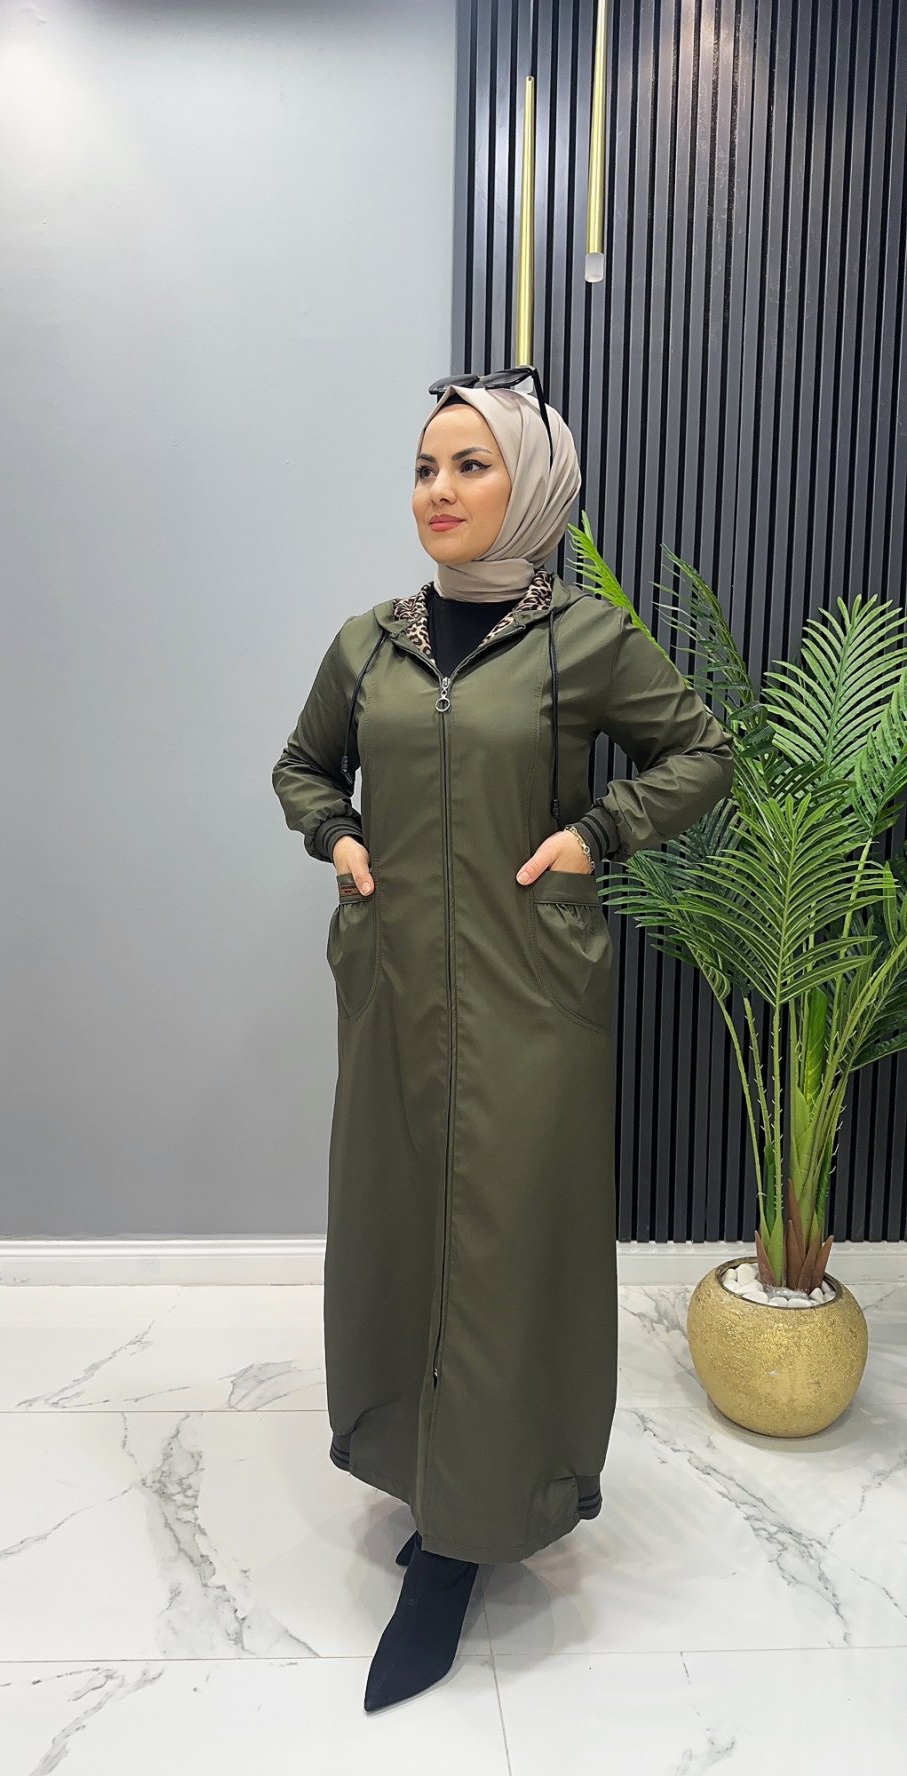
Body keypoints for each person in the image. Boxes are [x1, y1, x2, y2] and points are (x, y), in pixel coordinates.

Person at [271, 373, 735, 1712]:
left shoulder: (582, 639)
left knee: (502, 1244)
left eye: (470, 465)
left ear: (528, 485)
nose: (439, 491)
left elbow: (700, 752)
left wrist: (595, 834)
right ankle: (420, 1469)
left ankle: (468, 1529)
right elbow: (303, 766)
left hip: (533, 996)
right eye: (426, 467)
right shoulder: (368, 644)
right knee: (400, 1226)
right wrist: (339, 839)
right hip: (394, 989)